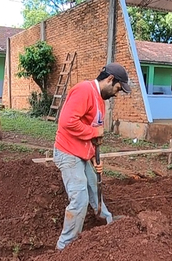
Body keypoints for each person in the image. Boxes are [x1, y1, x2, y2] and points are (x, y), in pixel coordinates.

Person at [54, 62, 131, 251]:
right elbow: (67, 122)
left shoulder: (100, 101)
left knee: (95, 189)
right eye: (117, 89)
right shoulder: (84, 90)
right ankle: (65, 246)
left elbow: (96, 134)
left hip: (83, 154)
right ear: (110, 79)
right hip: (68, 152)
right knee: (80, 198)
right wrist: (93, 132)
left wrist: (96, 157)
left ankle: (108, 222)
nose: (116, 94)